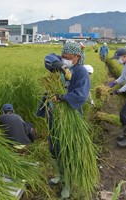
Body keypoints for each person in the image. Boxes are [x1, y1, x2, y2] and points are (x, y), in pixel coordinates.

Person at [48, 41, 91, 199]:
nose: (64, 58)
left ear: (77, 57)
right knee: (53, 146)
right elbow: (49, 58)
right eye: (63, 56)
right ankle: (59, 175)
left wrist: (62, 97)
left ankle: (68, 184)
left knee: (66, 149)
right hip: (55, 114)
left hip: (70, 115)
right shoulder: (62, 66)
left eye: (67, 57)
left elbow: (81, 95)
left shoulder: (81, 72)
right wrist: (62, 66)